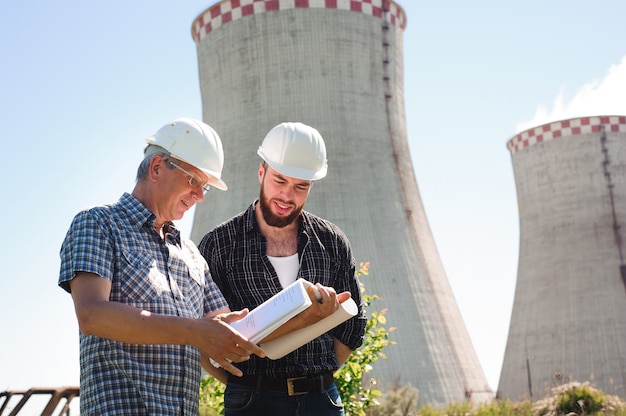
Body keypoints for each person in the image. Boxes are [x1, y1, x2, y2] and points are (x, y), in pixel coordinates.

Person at [58, 117, 265, 415]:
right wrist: (193, 331)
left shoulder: (192, 256)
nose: (200, 196)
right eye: (194, 180)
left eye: (205, 187)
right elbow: (92, 315)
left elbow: (228, 330)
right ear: (156, 167)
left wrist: (304, 312)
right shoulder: (98, 224)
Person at [198, 122, 367, 415]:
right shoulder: (219, 244)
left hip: (321, 400)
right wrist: (242, 385)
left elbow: (353, 326)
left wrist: (318, 376)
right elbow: (199, 331)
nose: (288, 196)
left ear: (311, 186)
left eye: (300, 187)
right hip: (252, 401)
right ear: (261, 172)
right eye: (280, 181)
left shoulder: (331, 241)